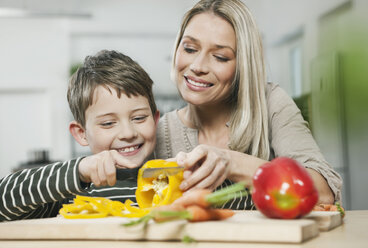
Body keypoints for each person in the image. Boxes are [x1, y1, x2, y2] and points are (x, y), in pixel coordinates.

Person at [154, 0, 342, 209]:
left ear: (243, 64)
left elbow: (323, 192)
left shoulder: (271, 104)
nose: (198, 66)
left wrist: (231, 162)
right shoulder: (159, 131)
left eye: (220, 57)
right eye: (189, 48)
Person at [0, 50, 160, 221]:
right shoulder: (68, 192)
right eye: (108, 123)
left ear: (155, 120)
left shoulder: (175, 182)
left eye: (139, 118)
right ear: (81, 133)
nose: (128, 133)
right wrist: (79, 172)